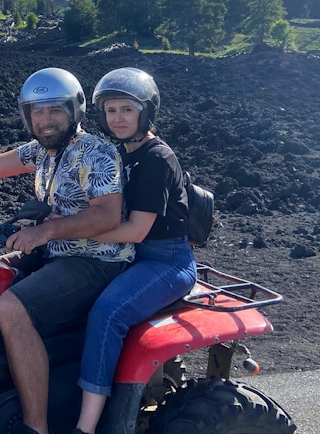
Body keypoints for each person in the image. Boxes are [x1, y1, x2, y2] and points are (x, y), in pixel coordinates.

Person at [0, 67, 134, 434]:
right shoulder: (43, 151)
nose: (45, 120)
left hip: (96, 259)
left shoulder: (95, 152)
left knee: (13, 308)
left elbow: (107, 215)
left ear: (74, 111)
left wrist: (43, 231)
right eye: (37, 111)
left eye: (54, 110)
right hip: (58, 251)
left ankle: (35, 427)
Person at [73, 67, 198, 434]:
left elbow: (136, 230)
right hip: (132, 254)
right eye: (111, 110)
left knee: (107, 314)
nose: (118, 118)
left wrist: (73, 236)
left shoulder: (156, 159)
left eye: (127, 109)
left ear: (146, 113)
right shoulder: (121, 153)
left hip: (164, 259)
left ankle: (87, 426)